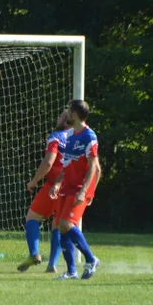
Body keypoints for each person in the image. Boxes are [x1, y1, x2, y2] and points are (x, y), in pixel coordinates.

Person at [49, 100, 101, 280]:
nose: (66, 113)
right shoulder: (70, 135)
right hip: (66, 187)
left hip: (79, 188)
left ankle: (91, 258)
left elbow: (94, 166)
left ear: (76, 114)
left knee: (66, 224)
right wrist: (57, 183)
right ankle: (71, 271)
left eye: (69, 111)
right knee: (60, 228)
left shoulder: (89, 136)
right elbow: (67, 163)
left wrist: (86, 191)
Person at [18, 110, 71, 273]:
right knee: (57, 225)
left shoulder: (57, 137)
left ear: (68, 120)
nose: (58, 117)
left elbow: (48, 162)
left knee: (32, 218)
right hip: (69, 188)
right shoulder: (78, 138)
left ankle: (34, 253)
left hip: (52, 186)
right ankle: (52, 264)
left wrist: (34, 181)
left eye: (61, 115)